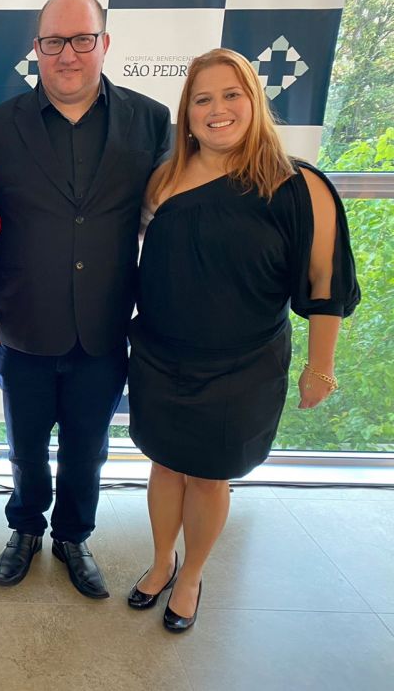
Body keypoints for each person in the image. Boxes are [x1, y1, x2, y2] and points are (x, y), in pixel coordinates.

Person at [127, 48, 360, 631]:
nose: (218, 109)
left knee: (209, 475)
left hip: (244, 365)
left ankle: (191, 576)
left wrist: (321, 366)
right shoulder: (164, 177)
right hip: (159, 356)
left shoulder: (298, 185)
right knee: (165, 465)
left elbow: (326, 282)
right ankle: (160, 563)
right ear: (188, 113)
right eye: (202, 99)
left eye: (231, 94)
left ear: (254, 102)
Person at [0, 0, 171, 596]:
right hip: (23, 322)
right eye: (53, 41)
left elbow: (172, 219)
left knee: (89, 451)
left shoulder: (152, 121)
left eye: (81, 39)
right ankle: (26, 529)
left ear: (104, 44)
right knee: (25, 448)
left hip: (106, 324)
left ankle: (72, 536)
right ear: (35, 50)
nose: (67, 54)